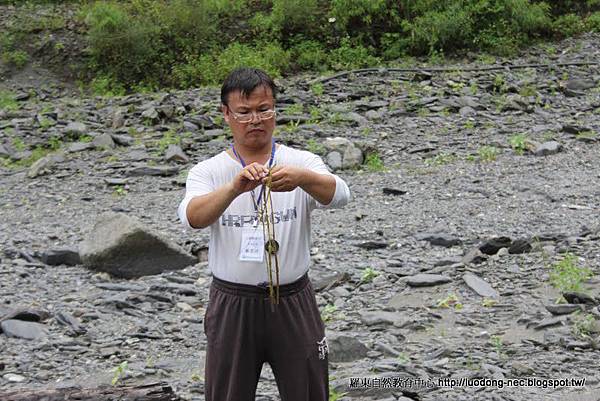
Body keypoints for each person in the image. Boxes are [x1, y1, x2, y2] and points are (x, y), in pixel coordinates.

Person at [177, 67, 351, 401]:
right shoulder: (209, 171)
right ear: (226, 114)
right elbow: (191, 217)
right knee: (227, 393)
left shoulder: (299, 161)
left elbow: (341, 194)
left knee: (310, 389)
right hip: (232, 303)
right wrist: (233, 188)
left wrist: (302, 178)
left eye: (264, 109)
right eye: (244, 112)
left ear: (275, 110)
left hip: (294, 299)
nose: (255, 119)